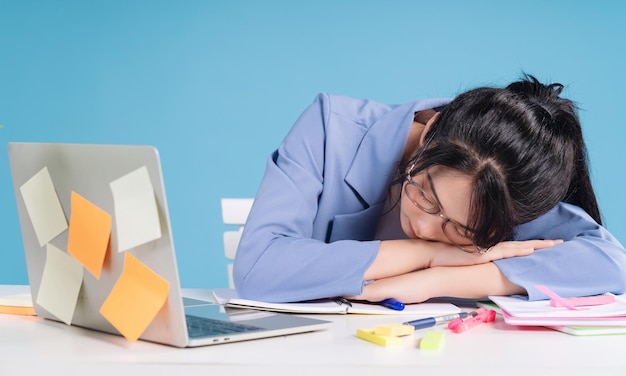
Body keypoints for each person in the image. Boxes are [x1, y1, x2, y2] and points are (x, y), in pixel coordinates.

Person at [232, 74, 626, 304]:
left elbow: (611, 263)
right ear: (431, 133)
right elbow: (258, 271)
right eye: (425, 195)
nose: (423, 225)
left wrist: (439, 280)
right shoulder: (330, 129)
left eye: (462, 230)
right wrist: (429, 254)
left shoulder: (511, 177)